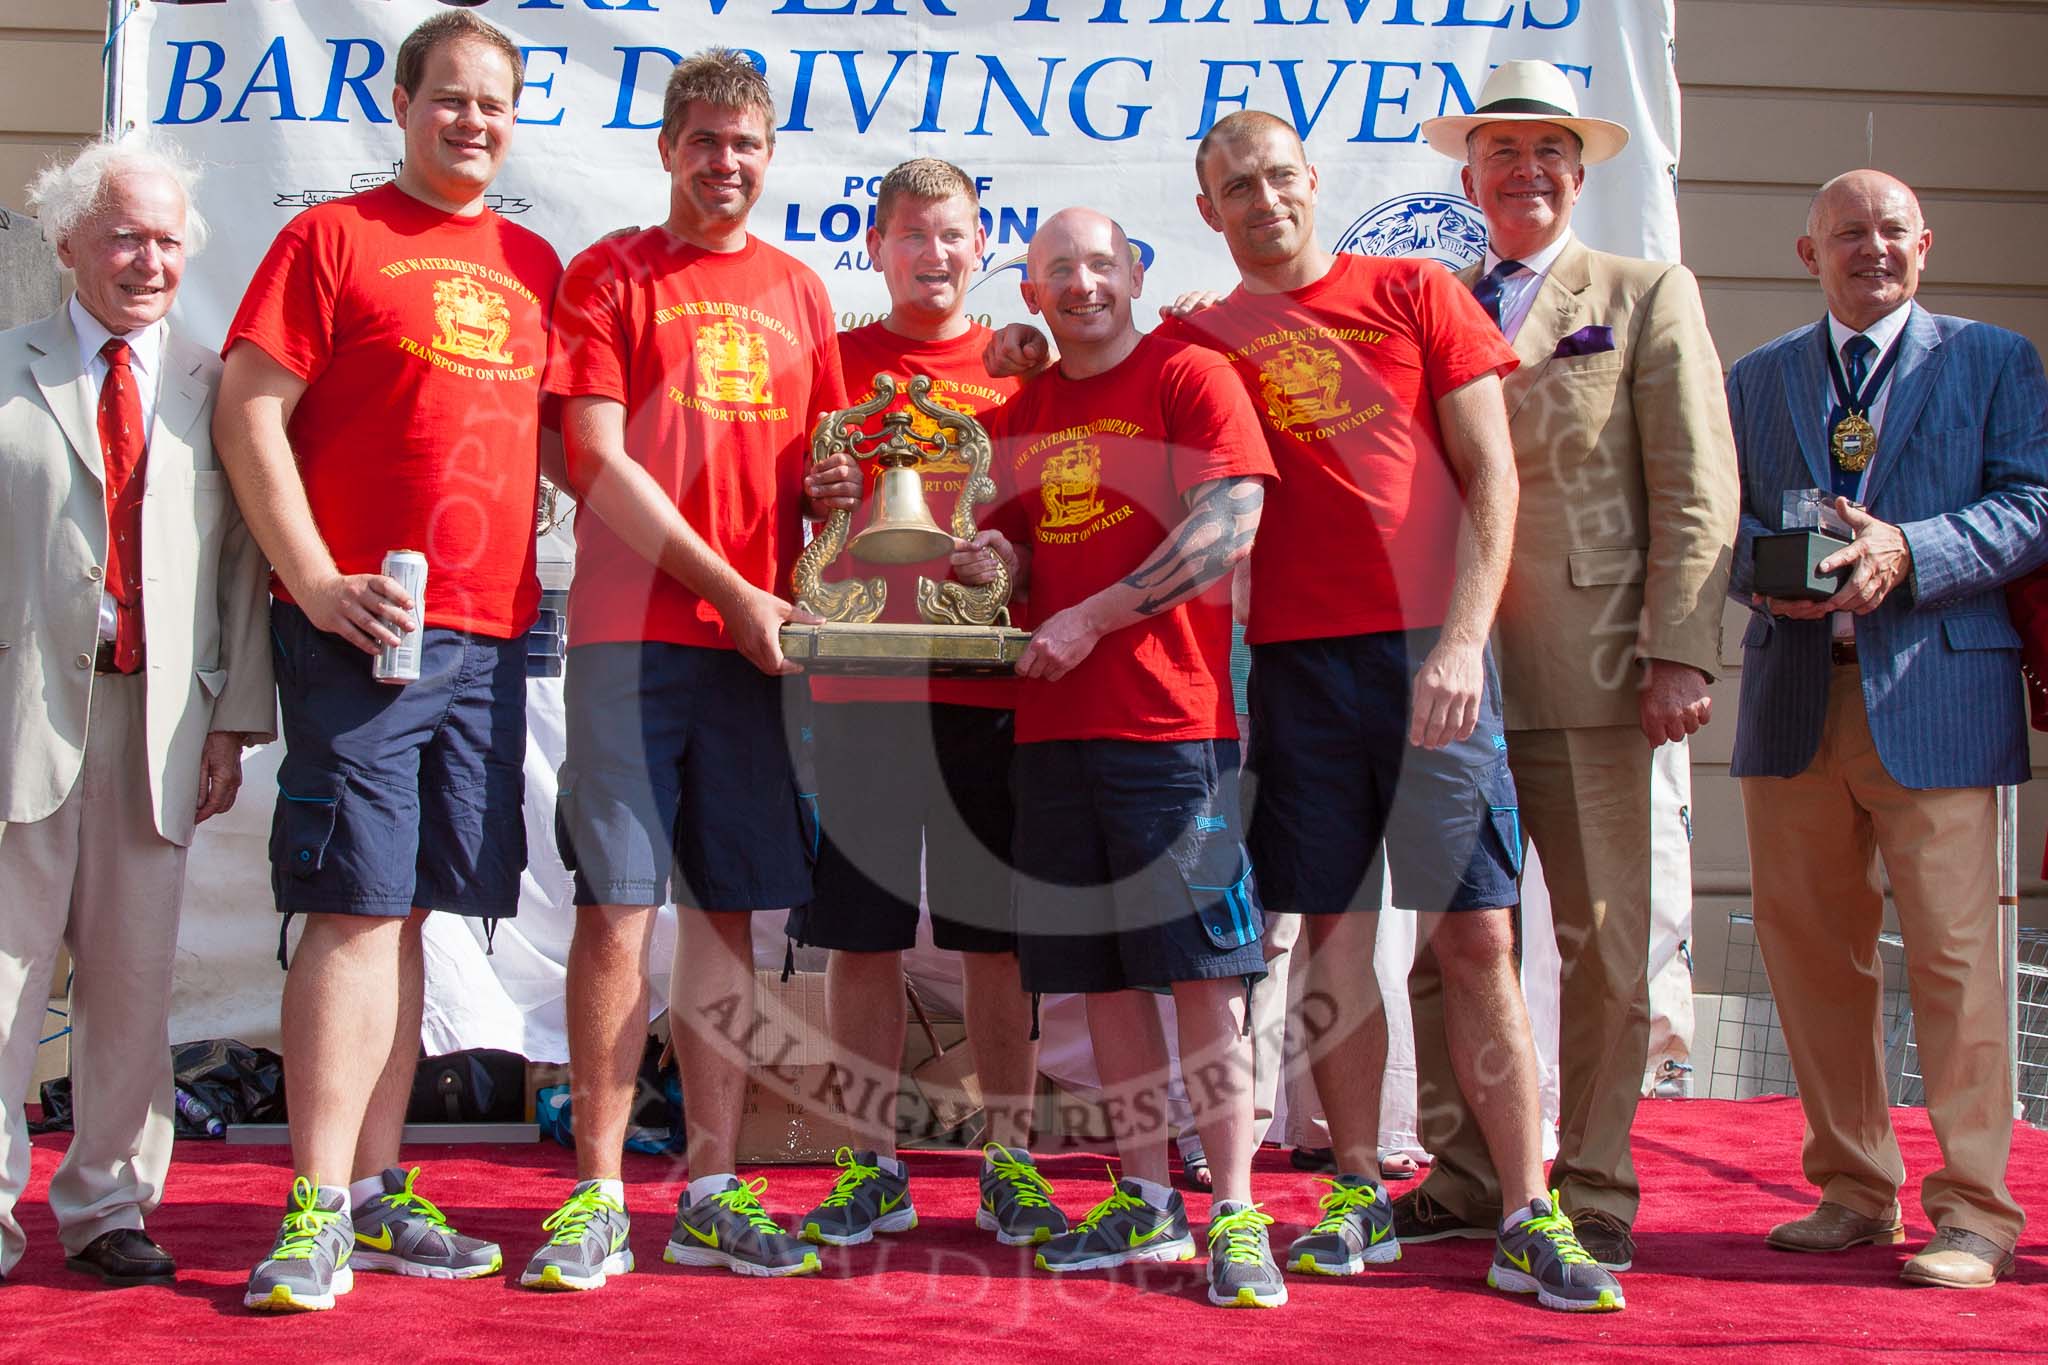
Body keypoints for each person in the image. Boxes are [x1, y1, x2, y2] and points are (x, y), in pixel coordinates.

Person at [995, 110, 1626, 1312]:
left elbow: (1492, 476)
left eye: (1277, 176)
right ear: (1205, 213)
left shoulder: (1415, 292)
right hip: (1288, 665)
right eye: (1234, 186)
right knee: (1331, 933)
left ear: (1311, 180)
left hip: (1426, 658)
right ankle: (1348, 1187)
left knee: (1476, 934)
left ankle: (1525, 1208)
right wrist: (1019, 346)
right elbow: (1097, 365)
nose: (1261, 199)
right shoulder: (1191, 338)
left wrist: (1459, 641)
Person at [214, 11, 563, 1311]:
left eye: (494, 105)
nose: (472, 121)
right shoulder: (330, 239)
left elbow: (586, 454)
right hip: (365, 627)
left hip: (494, 630)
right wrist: (312, 579)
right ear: (403, 102)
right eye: (450, 100)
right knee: (355, 906)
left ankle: (371, 1188)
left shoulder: (537, 265)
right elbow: (249, 405)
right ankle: (310, 1209)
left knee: (412, 907)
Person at [1402, 59, 1739, 1271]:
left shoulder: (1644, 291)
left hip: (1593, 672)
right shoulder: (1431, 301)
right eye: (1502, 151)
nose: (1525, 171)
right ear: (1468, 174)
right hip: (1446, 675)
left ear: (1581, 171)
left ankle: (1594, 1180)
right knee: (1453, 940)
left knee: (1598, 943)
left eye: (1548, 151)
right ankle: (1465, 1166)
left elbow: (1696, 484)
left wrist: (1678, 653)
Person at [523, 48, 849, 1288]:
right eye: (704, 141)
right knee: (616, 903)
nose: (725, 163)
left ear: (771, 159)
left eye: (747, 145)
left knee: (728, 905)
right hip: (631, 636)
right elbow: (591, 459)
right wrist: (729, 583)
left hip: (758, 646)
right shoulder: (609, 272)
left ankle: (712, 1185)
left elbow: (827, 474)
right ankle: (599, 1192)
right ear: (666, 149)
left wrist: (827, 507)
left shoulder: (799, 291)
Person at [1728, 168, 2048, 1290]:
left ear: (1926, 245)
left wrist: (1903, 550)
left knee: (1958, 961)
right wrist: (1761, 582)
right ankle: (1852, 1190)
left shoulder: (1992, 361)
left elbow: (2032, 507)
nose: (1871, 249)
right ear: (1805, 252)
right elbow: (1719, 530)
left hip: (1941, 696)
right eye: (1846, 234)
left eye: (1890, 232)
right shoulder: (1756, 377)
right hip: (1794, 699)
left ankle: (1972, 1212)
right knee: (1813, 958)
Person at [966, 206, 1284, 1310]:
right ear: (1032, 294)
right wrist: (985, 559)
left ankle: (1235, 1208)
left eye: (1100, 263)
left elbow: (1228, 522)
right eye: (1058, 270)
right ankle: (1144, 1199)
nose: (1082, 284)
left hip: (1170, 728)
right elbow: (1013, 543)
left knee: (1201, 974)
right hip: (1053, 731)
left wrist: (1095, 617)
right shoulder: (1028, 405)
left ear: (1134, 272)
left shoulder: (1187, 376)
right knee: (1099, 974)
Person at [0, 134, 272, 1288]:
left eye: (166, 239)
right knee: (3, 980)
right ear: (69, 246)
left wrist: (231, 726)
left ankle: (110, 1205)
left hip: (157, 722)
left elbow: (242, 577)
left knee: (131, 984)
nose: (148, 259)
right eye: (124, 235)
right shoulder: (7, 368)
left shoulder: (218, 387)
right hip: (19, 718)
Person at [783, 158, 1057, 1250]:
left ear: (979, 246)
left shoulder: (1017, 372)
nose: (933, 256)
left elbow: (1056, 520)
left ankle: (1011, 1161)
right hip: (857, 683)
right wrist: (816, 495)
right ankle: (867, 1161)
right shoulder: (832, 366)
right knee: (862, 936)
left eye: (952, 237)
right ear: (877, 246)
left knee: (996, 938)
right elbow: (786, 496)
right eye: (912, 237)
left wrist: (1008, 559)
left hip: (981, 686)